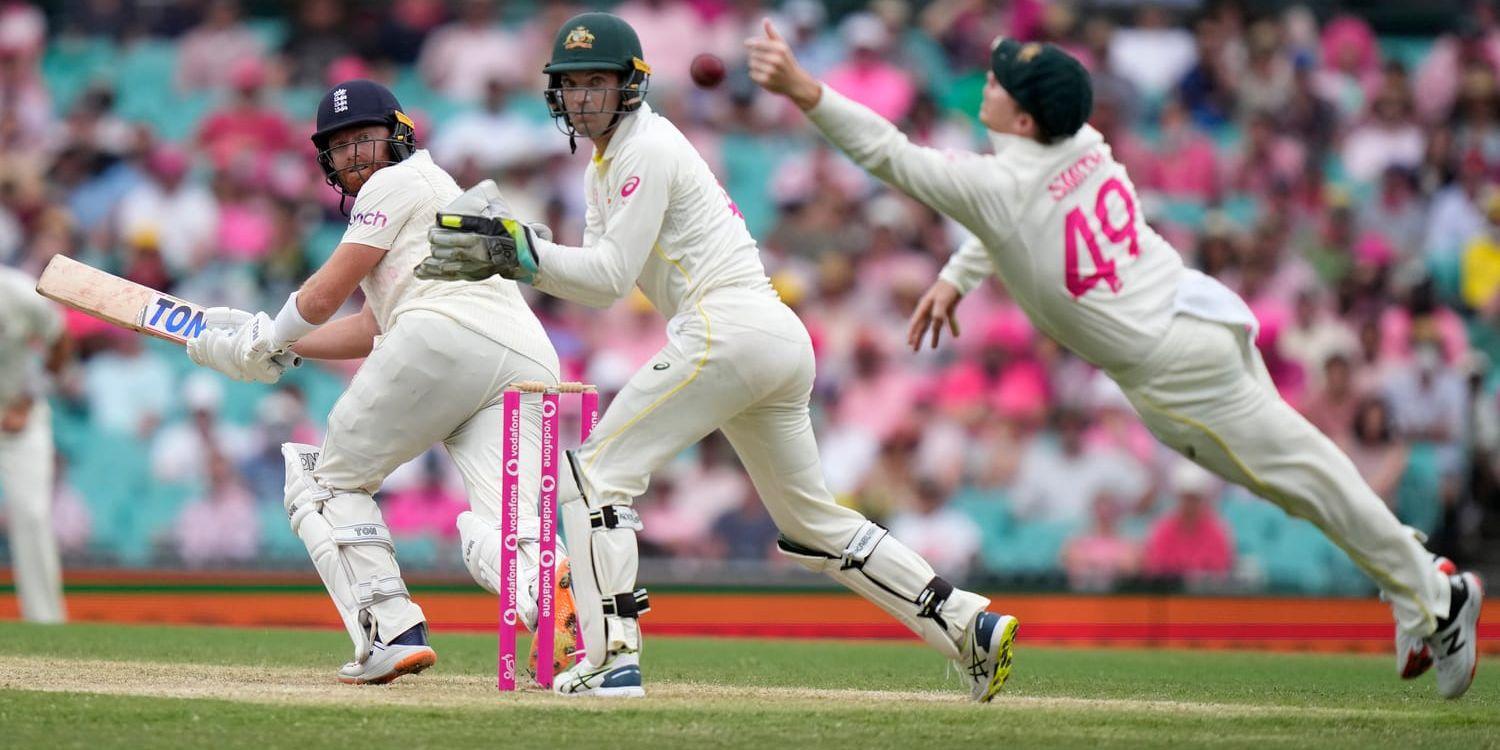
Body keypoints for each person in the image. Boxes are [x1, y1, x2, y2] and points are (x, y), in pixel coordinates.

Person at [747, 23, 1482, 699]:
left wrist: (804, 89)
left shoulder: (1002, 185)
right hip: (1197, 310)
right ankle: (1416, 575)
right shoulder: (1080, 140)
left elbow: (891, 155)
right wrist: (956, 276)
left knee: (1305, 478)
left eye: (1000, 84)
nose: (987, 86)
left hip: (1173, 364)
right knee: (1301, 478)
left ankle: (1436, 595)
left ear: (1027, 120)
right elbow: (1005, 221)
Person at [414, 11, 1018, 702]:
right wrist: (516, 249)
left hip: (725, 328)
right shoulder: (605, 165)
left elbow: (609, 278)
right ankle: (968, 622)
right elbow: (590, 277)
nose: (582, 97)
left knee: (595, 477)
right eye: (571, 84)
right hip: (769, 338)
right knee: (812, 523)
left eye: (596, 83)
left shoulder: (645, 147)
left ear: (629, 87)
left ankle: (612, 657)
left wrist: (515, 252)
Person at [185, 79, 574, 685]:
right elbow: (370, 325)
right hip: (521, 358)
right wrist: (284, 347)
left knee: (321, 481)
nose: (354, 157)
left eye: (363, 139)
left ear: (397, 135)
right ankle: (566, 621)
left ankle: (390, 631)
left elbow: (321, 294)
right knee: (509, 527)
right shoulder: (434, 188)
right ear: (326, 162)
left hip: (441, 339)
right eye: (339, 149)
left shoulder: (397, 183)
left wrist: (263, 340)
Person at [0, 265, 70, 624]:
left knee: (31, 513)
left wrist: (29, 398)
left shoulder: (20, 293)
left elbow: (60, 340)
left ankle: (46, 624)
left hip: (18, 419)